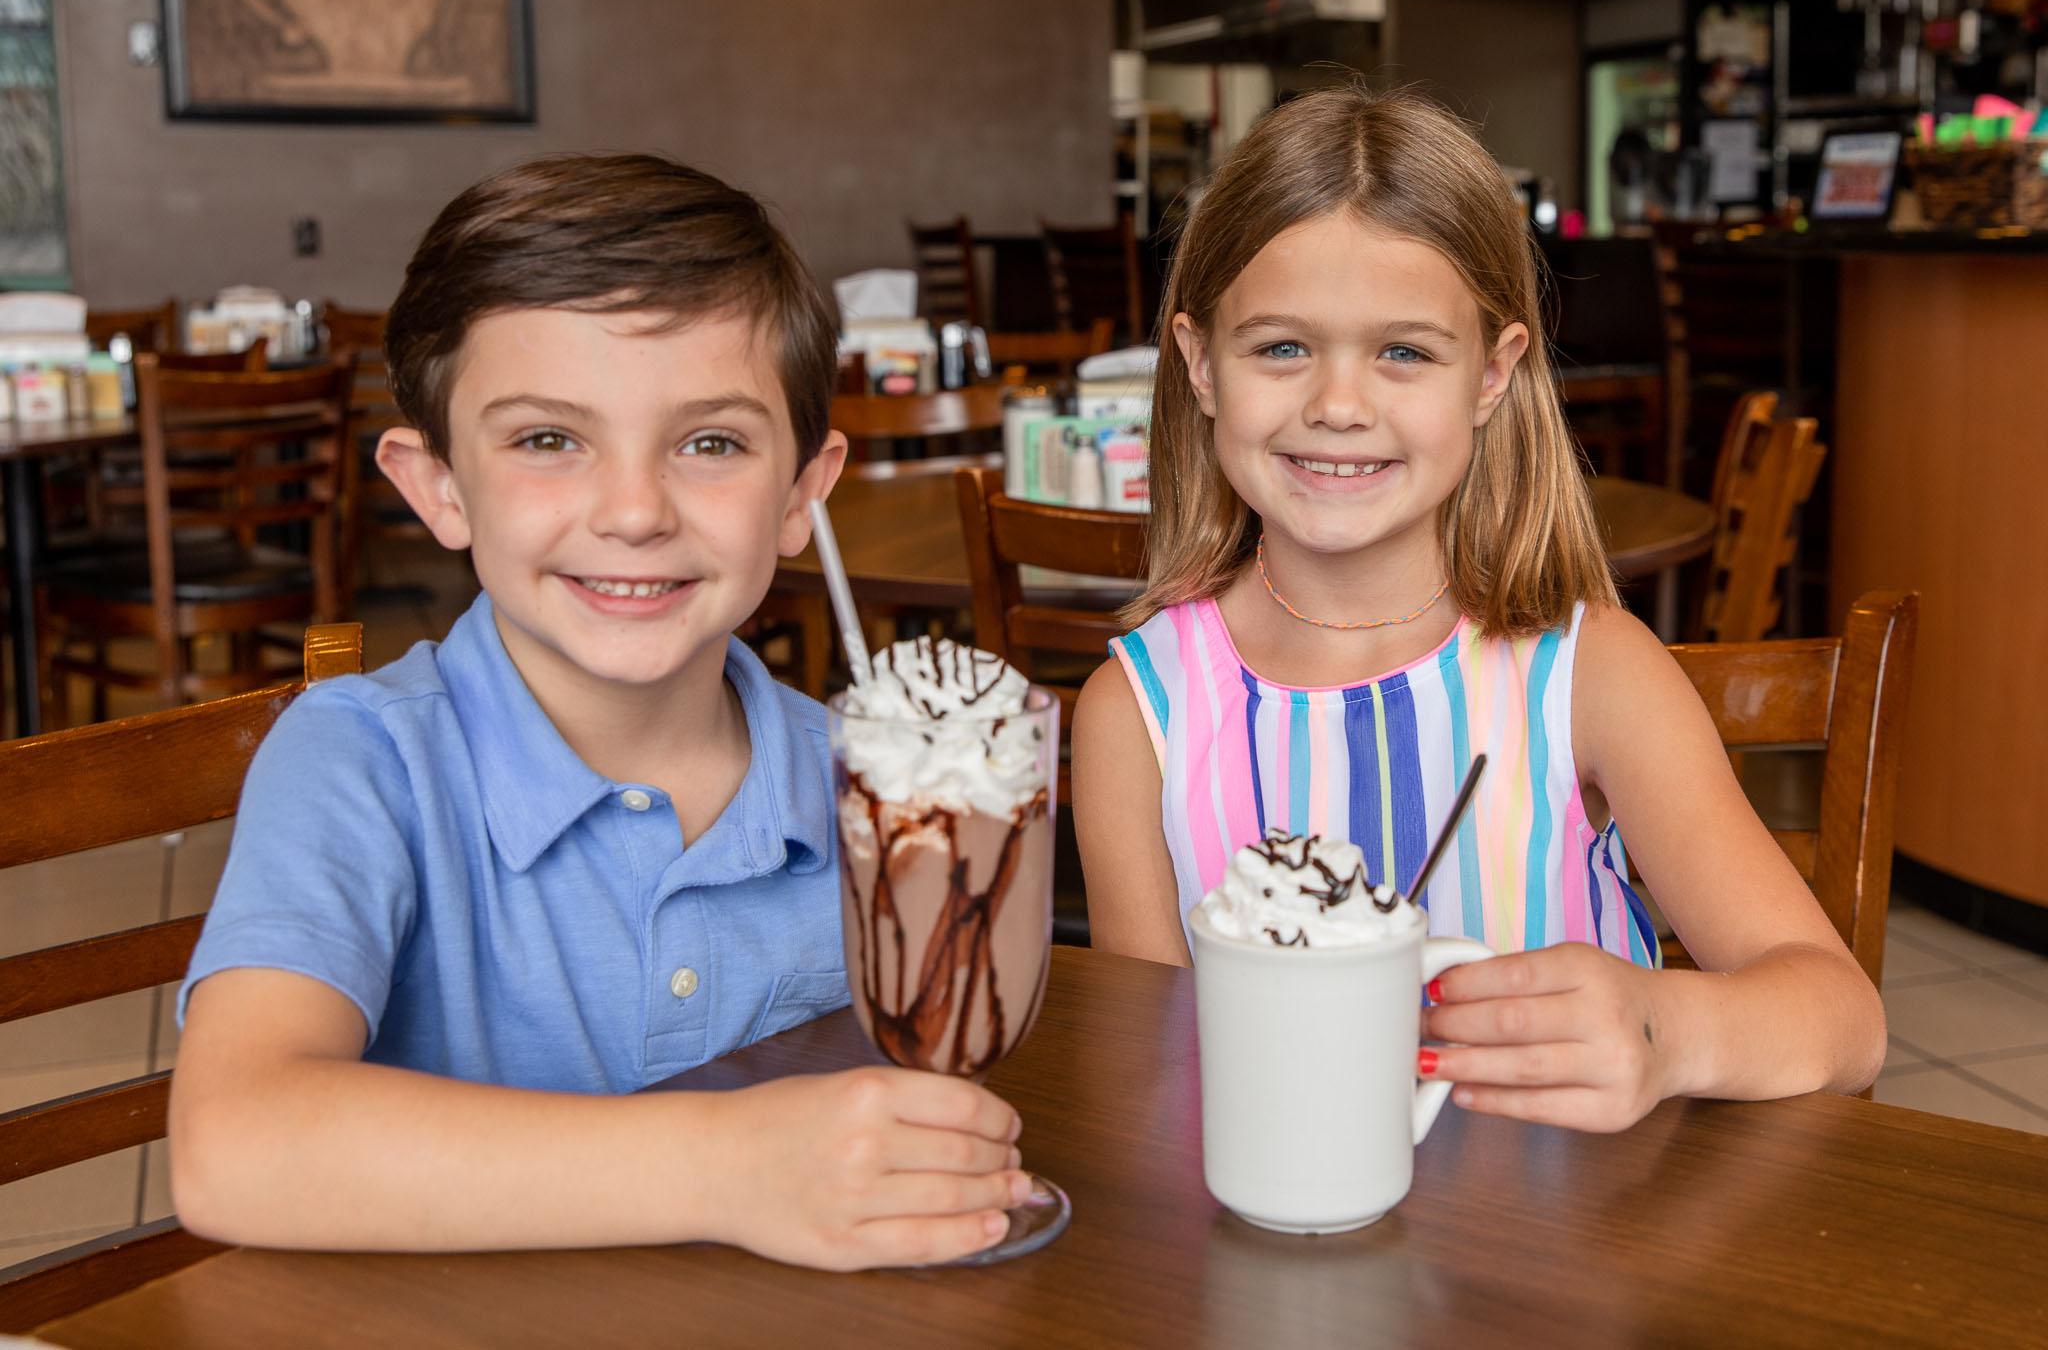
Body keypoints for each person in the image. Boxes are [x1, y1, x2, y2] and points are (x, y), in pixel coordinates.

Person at [171, 156, 1030, 1268]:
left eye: (710, 442)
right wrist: (729, 1166)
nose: (633, 513)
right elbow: (234, 1145)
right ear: (437, 486)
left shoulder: (876, 787)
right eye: (547, 439)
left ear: (801, 494)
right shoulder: (363, 760)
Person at [1072, 88, 1885, 1132]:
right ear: (1198, 366)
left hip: (1573, 1231)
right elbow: (1148, 1083)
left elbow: (1843, 1022)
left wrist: (1664, 1029)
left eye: (1404, 352)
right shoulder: (1133, 718)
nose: (1338, 405)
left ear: (1492, 375)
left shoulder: (1592, 675)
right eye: (1280, 347)